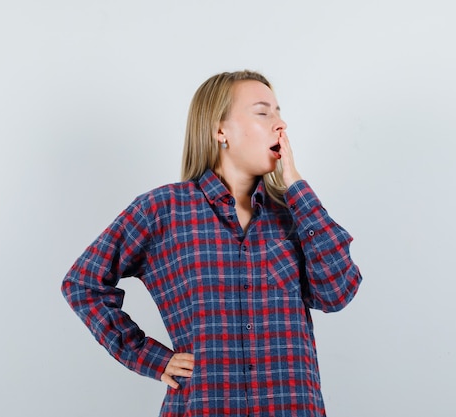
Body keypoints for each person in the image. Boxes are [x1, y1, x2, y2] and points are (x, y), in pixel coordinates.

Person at [61, 70, 362, 417]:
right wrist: (151, 358)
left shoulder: (295, 215)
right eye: (264, 112)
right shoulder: (163, 210)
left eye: (280, 112)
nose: (281, 125)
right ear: (220, 131)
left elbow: (337, 293)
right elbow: (82, 283)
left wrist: (295, 186)